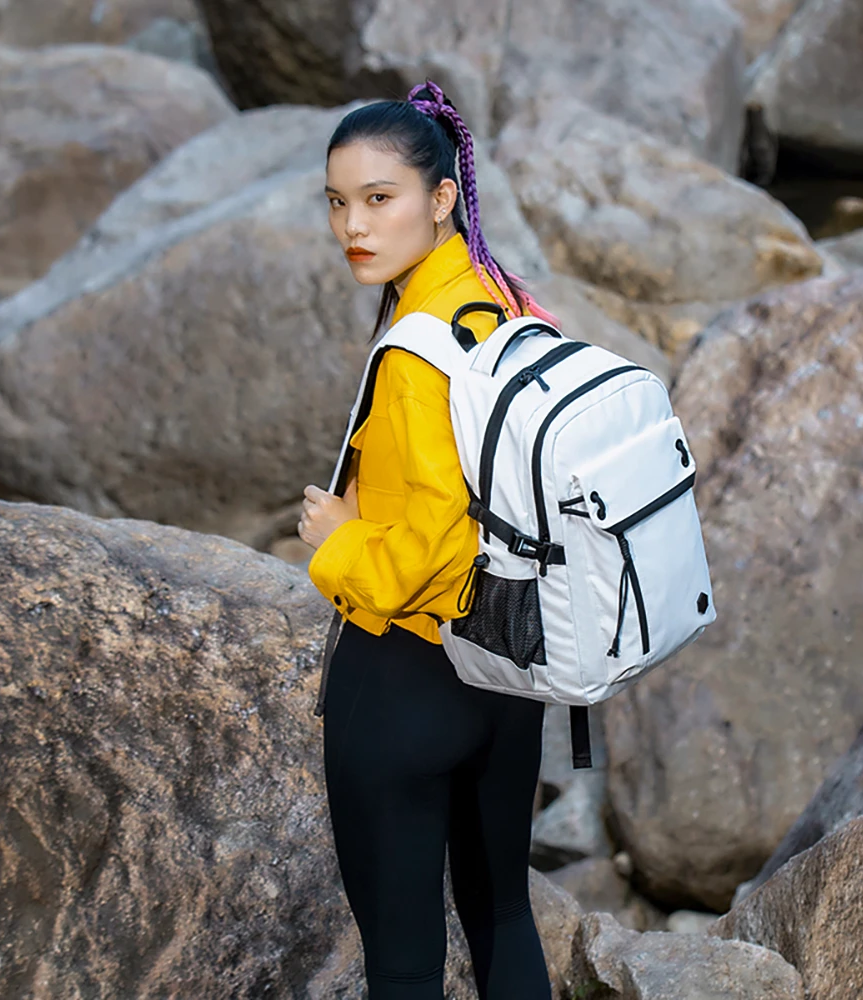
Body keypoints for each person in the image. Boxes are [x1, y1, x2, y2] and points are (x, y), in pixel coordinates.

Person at [297, 81, 556, 1000]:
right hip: (510, 666)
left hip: (407, 678)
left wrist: (334, 540)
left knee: (404, 966)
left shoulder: (414, 352)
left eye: (380, 198)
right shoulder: (506, 301)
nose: (353, 227)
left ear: (442, 197)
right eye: (338, 202)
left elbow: (424, 554)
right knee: (504, 915)